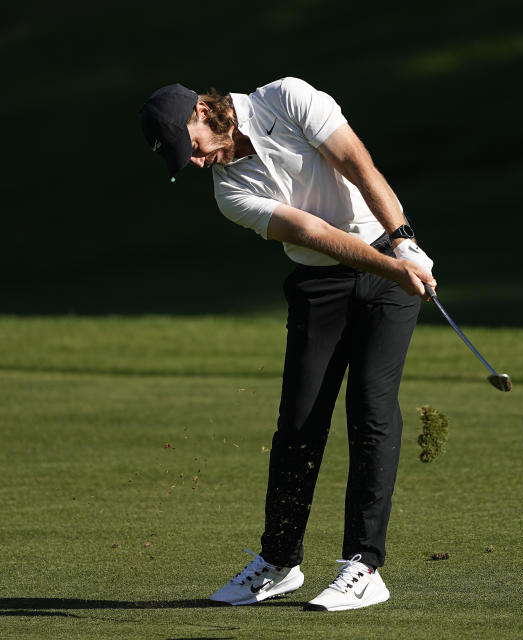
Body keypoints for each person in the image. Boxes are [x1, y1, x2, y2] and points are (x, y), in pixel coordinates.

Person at [139, 77, 437, 612]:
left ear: (206, 111)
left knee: (371, 408)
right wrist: (394, 268)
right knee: (299, 423)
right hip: (322, 283)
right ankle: (280, 562)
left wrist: (404, 241)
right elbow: (311, 232)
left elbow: (357, 165)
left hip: (386, 254)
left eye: (194, 148)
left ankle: (364, 566)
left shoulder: (287, 97)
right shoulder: (230, 193)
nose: (198, 162)